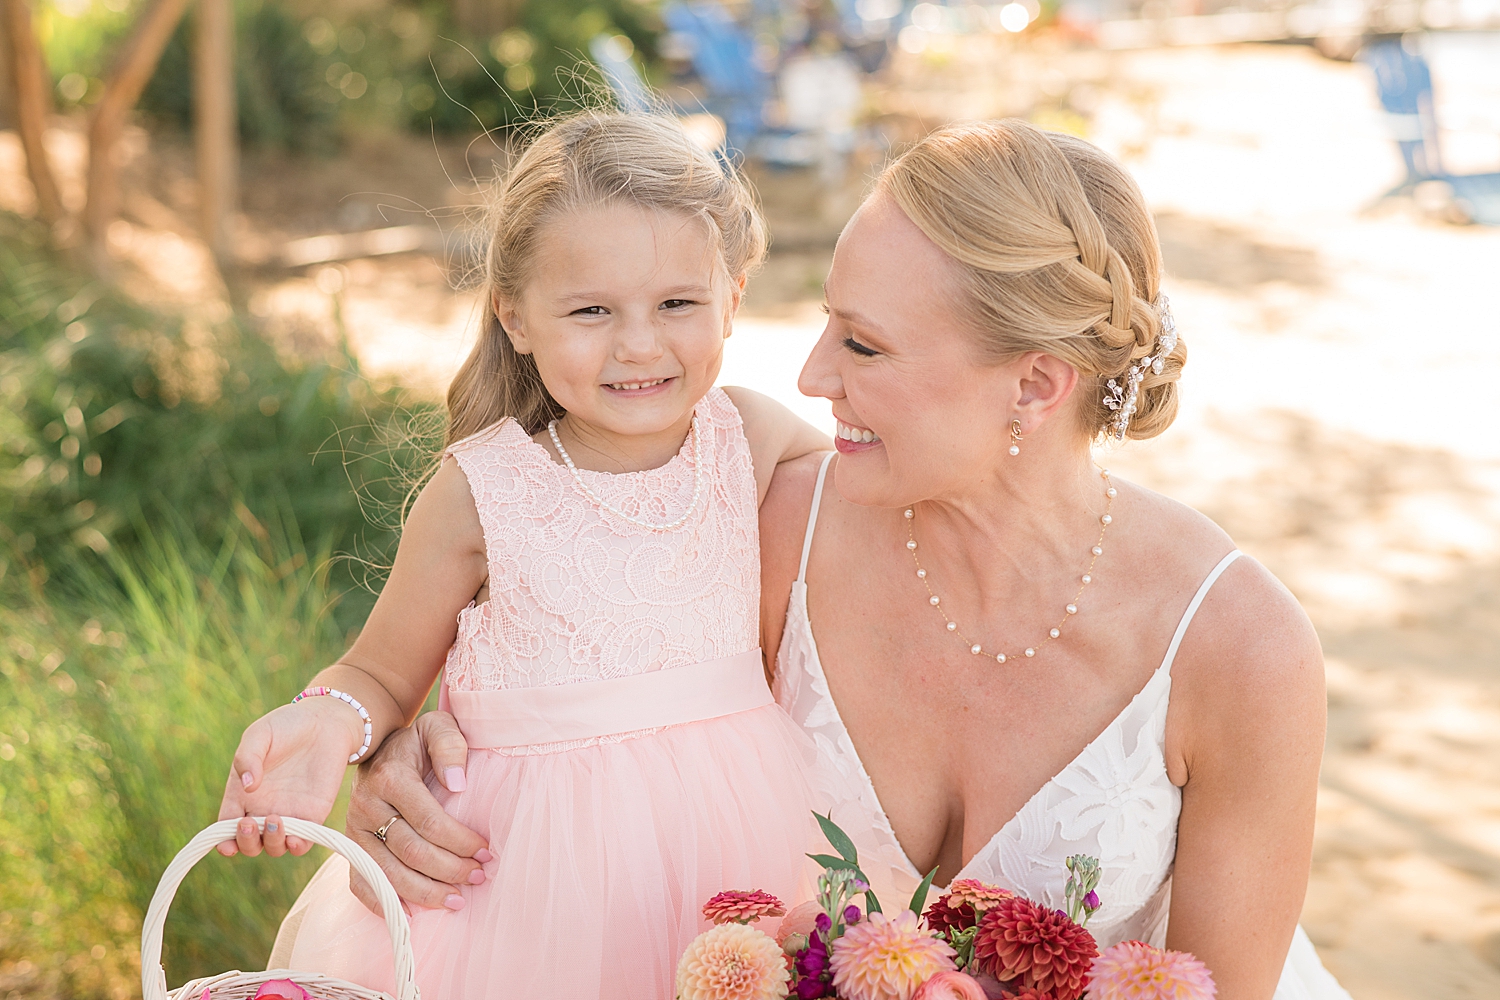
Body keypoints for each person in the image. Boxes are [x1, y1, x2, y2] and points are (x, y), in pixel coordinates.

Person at [335, 120, 1353, 999]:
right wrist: (407, 748)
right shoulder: (766, 526)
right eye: (826, 321)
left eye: (863, 347)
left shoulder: (1239, 650)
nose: (811, 373)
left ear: (1036, 385)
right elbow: (568, 666)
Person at [215, 111, 829, 1000]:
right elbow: (380, 675)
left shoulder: (754, 437)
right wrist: (327, 723)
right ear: (517, 317)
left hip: (737, 852)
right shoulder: (482, 491)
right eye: (589, 310)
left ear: (732, 296)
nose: (639, 344)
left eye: (677, 303)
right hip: (522, 884)